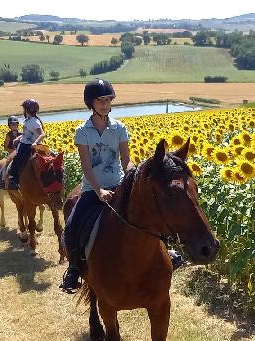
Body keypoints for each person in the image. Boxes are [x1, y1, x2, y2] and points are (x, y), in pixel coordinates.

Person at [59, 79, 185, 294]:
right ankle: (73, 269)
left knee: (150, 213)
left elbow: (126, 158)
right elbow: (86, 165)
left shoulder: (119, 128)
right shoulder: (83, 131)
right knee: (72, 225)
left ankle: (167, 251)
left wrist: (131, 174)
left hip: (118, 184)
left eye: (108, 100)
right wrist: (98, 190)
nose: (105, 104)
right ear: (90, 102)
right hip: (92, 189)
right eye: (100, 100)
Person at [7, 100, 44, 189]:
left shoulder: (34, 122)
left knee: (17, 160)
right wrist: (18, 138)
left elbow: (42, 134)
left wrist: (35, 142)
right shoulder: (29, 120)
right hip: (28, 143)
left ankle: (13, 179)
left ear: (27, 110)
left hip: (28, 146)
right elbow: (26, 134)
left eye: (24, 109)